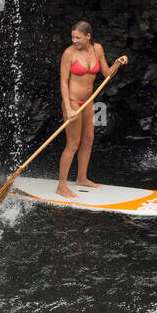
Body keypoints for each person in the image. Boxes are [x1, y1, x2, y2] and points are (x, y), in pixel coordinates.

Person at [57, 20, 127, 199]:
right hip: (72, 103)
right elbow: (63, 82)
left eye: (78, 37)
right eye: (72, 37)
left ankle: (81, 178)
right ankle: (62, 186)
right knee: (73, 143)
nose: (74, 40)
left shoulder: (98, 49)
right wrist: (68, 107)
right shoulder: (69, 53)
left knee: (88, 140)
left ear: (88, 36)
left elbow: (107, 74)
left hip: (89, 102)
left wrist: (118, 63)